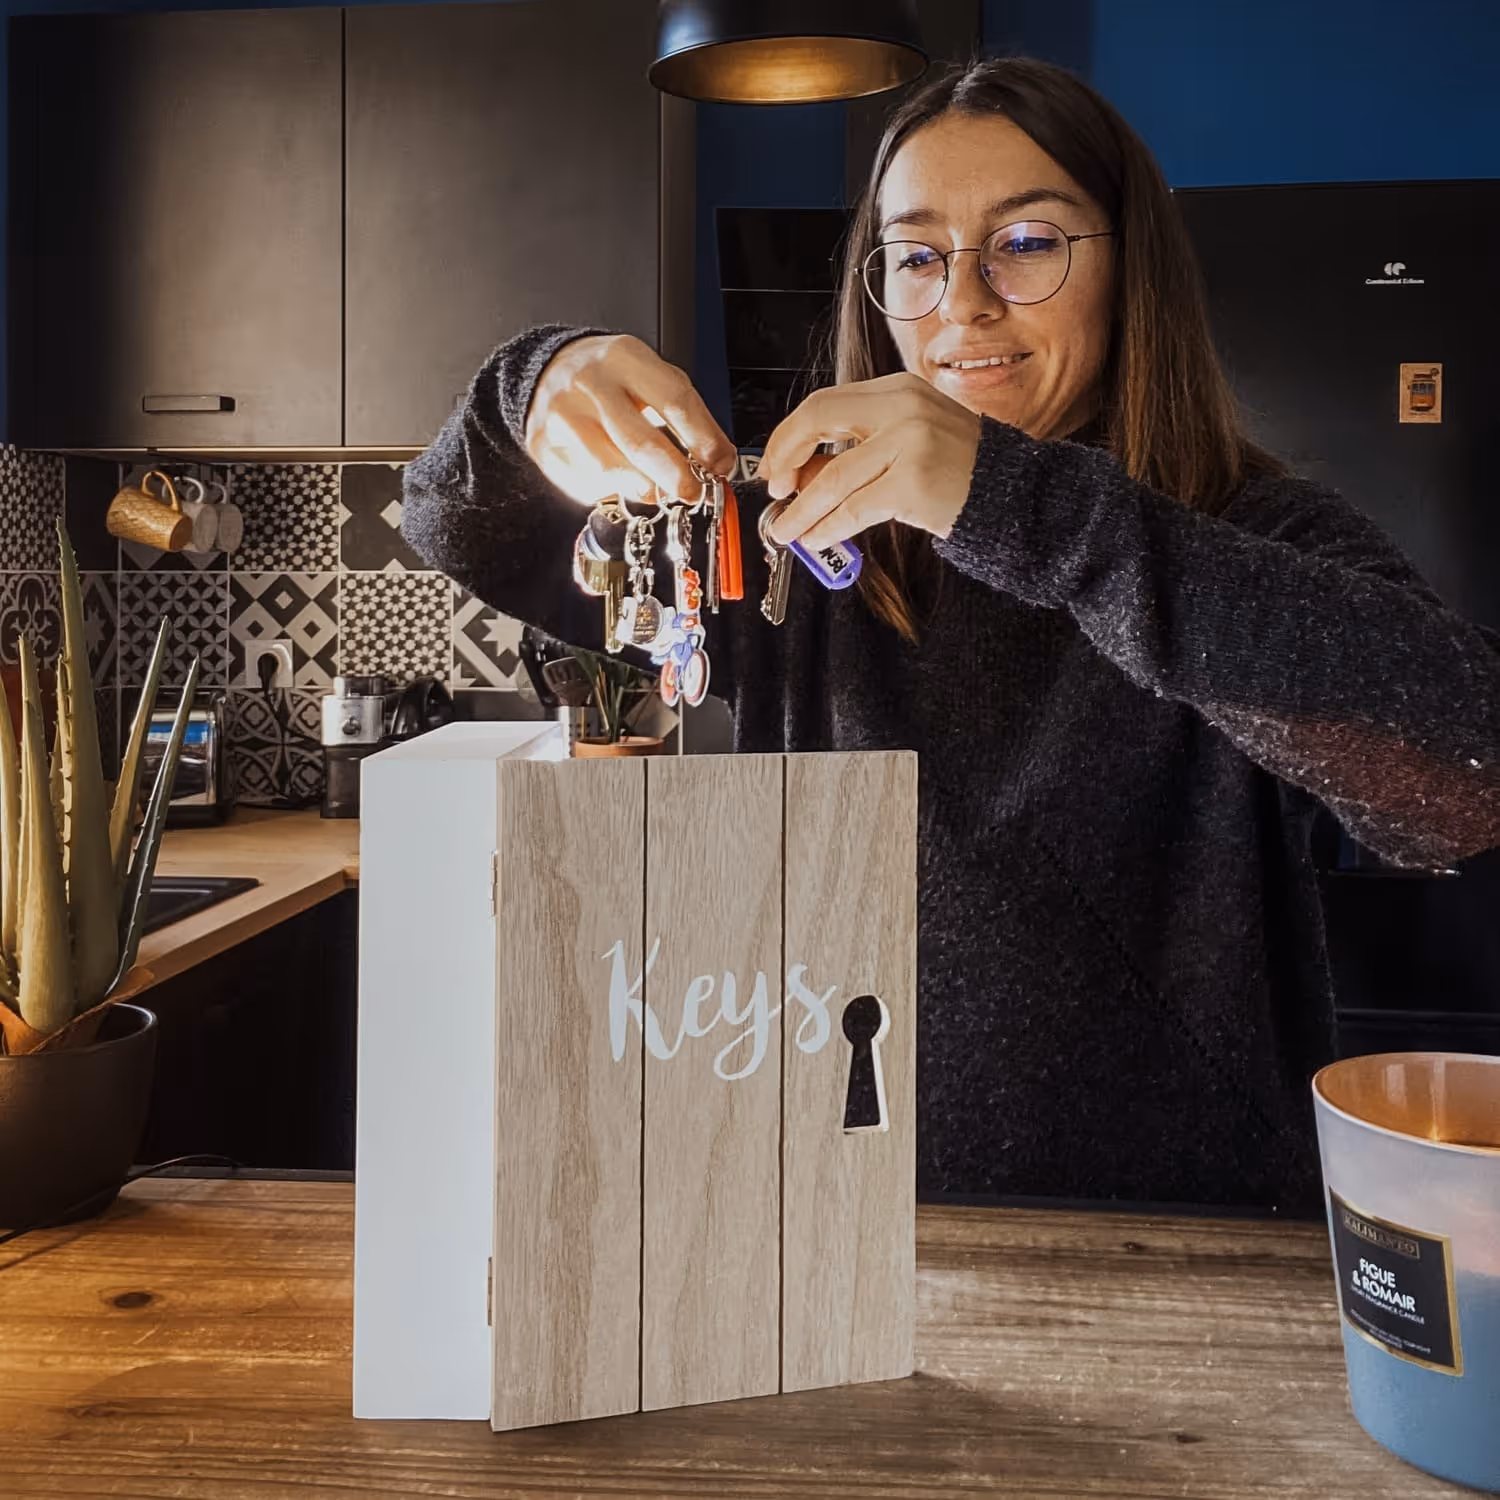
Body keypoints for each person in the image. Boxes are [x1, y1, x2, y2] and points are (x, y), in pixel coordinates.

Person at [402, 57, 1500, 1214]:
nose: (962, 305)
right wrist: (536, 382)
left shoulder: (1255, 534)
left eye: (1026, 243)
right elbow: (458, 520)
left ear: (1131, 272)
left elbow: (1465, 777)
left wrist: (1014, 504)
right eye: (916, 257)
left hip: (1180, 1248)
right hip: (827, 1225)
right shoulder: (794, 542)